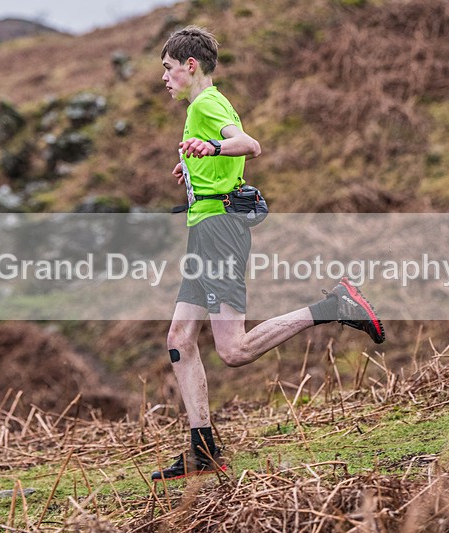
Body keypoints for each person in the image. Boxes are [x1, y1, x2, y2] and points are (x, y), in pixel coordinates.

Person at [152, 26, 385, 482]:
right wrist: (197, 164)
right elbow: (225, 154)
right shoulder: (206, 105)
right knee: (180, 338)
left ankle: (334, 305)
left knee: (234, 350)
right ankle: (204, 451)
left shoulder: (206, 103)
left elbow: (248, 145)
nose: (165, 78)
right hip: (206, 230)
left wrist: (215, 146)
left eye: (167, 68)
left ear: (189, 66)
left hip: (220, 233)